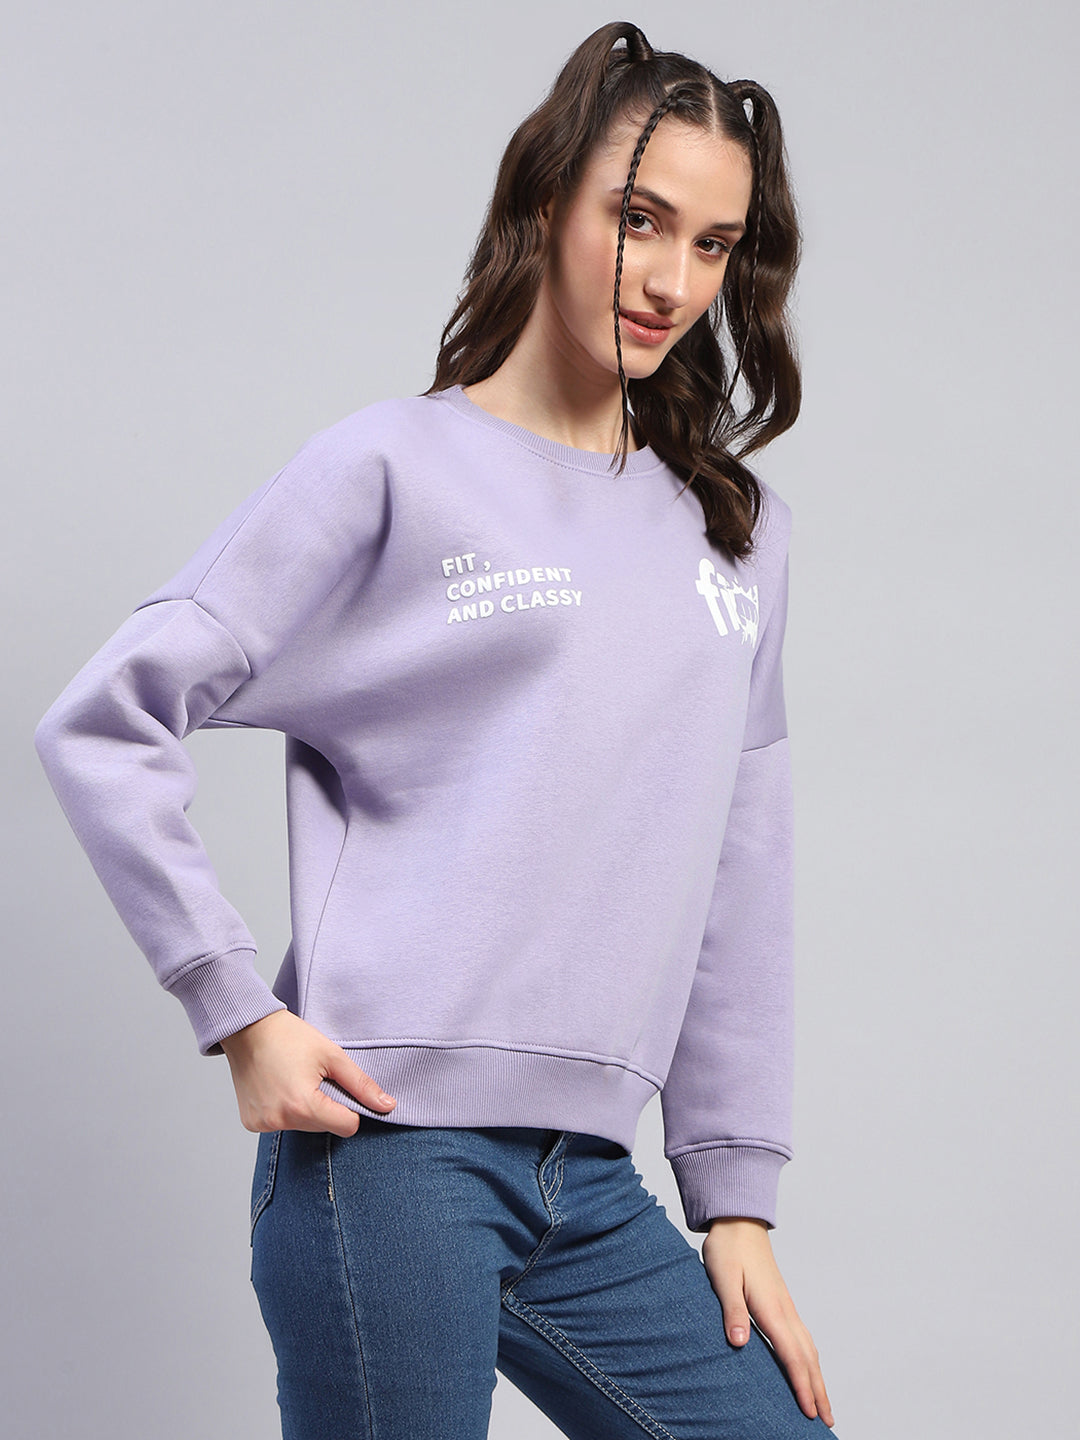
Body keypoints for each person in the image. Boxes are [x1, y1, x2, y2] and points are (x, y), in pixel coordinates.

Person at [33, 19, 838, 1439]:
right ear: (549, 199)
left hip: (591, 1183)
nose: (671, 281)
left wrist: (736, 1197)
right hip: (387, 1155)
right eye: (638, 219)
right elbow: (105, 720)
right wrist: (238, 1011)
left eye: (713, 245)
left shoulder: (737, 533)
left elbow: (741, 864)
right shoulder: (390, 469)